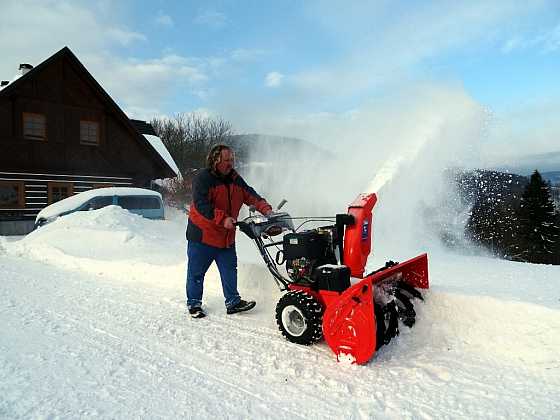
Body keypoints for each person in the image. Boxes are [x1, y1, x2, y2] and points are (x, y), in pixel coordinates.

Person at [185, 144, 272, 318]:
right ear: (215, 161)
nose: (231, 163)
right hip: (202, 235)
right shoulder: (203, 178)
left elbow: (250, 195)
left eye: (232, 160)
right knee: (196, 272)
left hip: (226, 236)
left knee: (229, 269)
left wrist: (267, 210)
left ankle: (233, 302)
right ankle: (194, 304)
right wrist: (223, 218)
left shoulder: (234, 178)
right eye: (227, 160)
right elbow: (201, 205)